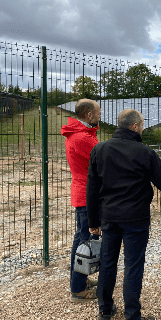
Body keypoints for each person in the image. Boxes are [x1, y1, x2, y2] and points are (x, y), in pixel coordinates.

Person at [86, 109, 161, 320]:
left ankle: (105, 310)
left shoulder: (100, 149)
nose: (143, 127)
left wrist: (93, 220)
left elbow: (92, 188)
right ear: (133, 126)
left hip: (109, 217)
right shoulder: (145, 152)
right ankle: (132, 319)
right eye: (141, 124)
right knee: (133, 266)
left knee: (108, 263)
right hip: (136, 219)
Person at [61, 98, 101, 303]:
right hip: (87, 194)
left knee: (82, 239)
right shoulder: (82, 138)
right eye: (98, 112)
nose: (100, 116)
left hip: (83, 192)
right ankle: (77, 289)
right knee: (84, 241)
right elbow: (102, 159)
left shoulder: (81, 134)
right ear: (89, 115)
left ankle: (80, 280)